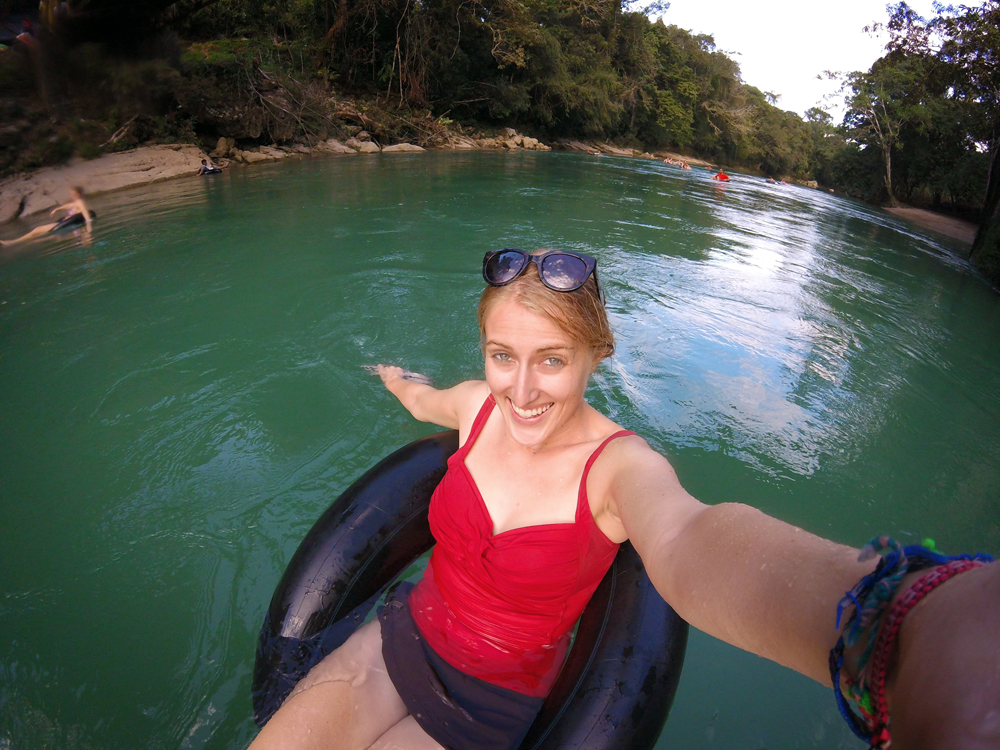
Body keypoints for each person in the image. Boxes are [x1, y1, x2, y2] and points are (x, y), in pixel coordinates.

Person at [248, 249, 998, 750]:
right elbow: (424, 400)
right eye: (502, 355)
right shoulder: (478, 408)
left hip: (488, 704)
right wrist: (389, 374)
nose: (521, 388)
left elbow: (693, 541)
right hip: (401, 638)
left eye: (552, 361)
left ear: (597, 356)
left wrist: (896, 619)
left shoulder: (620, 469)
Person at [0, 186, 92, 246]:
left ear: (79, 194)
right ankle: (24, 243)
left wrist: (89, 224)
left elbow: (84, 212)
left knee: (37, 230)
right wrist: (57, 209)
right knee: (44, 237)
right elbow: (69, 206)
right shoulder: (78, 202)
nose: (72, 195)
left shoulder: (80, 202)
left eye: (74, 194)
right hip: (69, 225)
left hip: (69, 224)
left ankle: (12, 242)